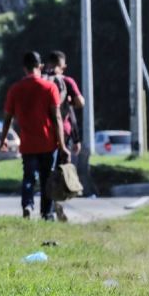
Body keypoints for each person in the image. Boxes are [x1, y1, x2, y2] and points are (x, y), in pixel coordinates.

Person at [0, 51, 70, 220]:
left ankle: (27, 205)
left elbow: (7, 118)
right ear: (40, 67)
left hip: (28, 143)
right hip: (48, 142)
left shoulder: (15, 89)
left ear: (24, 68)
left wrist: (3, 140)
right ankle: (46, 213)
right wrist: (62, 144)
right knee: (47, 178)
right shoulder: (49, 87)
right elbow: (57, 117)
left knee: (29, 177)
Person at [45, 50, 85, 222]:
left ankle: (47, 209)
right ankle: (57, 206)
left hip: (43, 132)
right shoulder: (67, 81)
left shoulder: (41, 79)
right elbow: (80, 103)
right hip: (64, 131)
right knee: (60, 171)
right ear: (63, 66)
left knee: (46, 170)